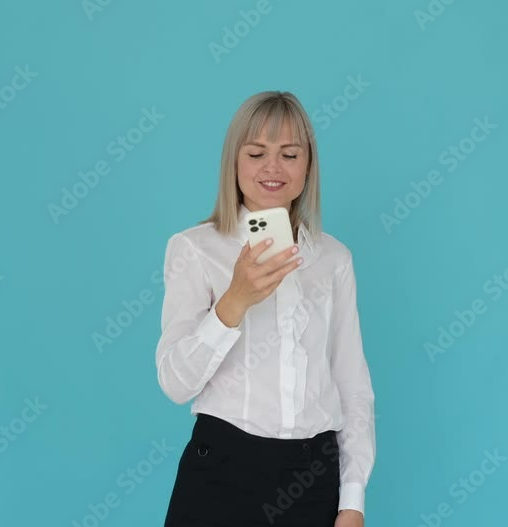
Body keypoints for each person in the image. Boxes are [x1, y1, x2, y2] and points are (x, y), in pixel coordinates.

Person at [156, 91, 375, 526]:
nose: (272, 168)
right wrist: (234, 301)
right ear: (233, 162)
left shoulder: (334, 259)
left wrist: (352, 500)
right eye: (256, 153)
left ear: (308, 165)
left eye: (289, 154)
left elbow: (352, 383)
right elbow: (174, 384)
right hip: (221, 471)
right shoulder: (194, 249)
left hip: (313, 478)